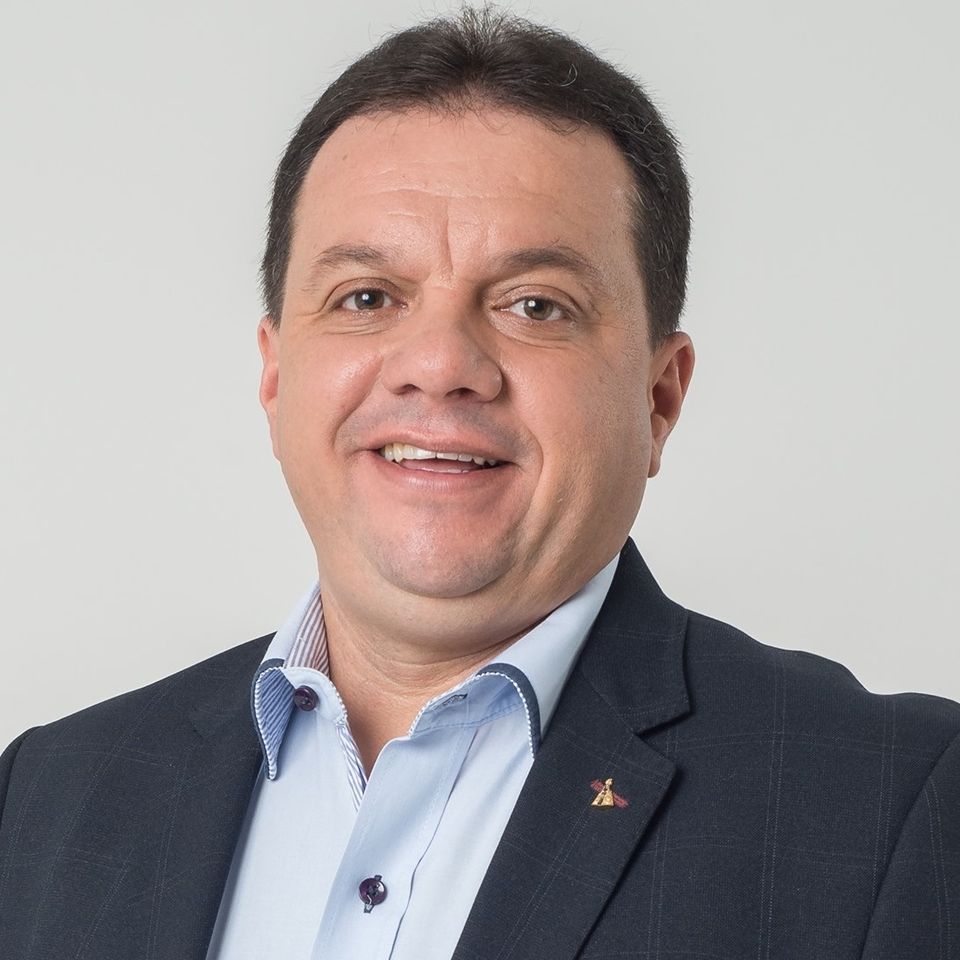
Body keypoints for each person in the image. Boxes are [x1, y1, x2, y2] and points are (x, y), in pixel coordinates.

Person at [1, 8, 957, 959]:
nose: (439, 364)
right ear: (277, 376)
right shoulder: (44, 798)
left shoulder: (894, 807)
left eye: (535, 305)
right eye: (366, 297)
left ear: (659, 398)